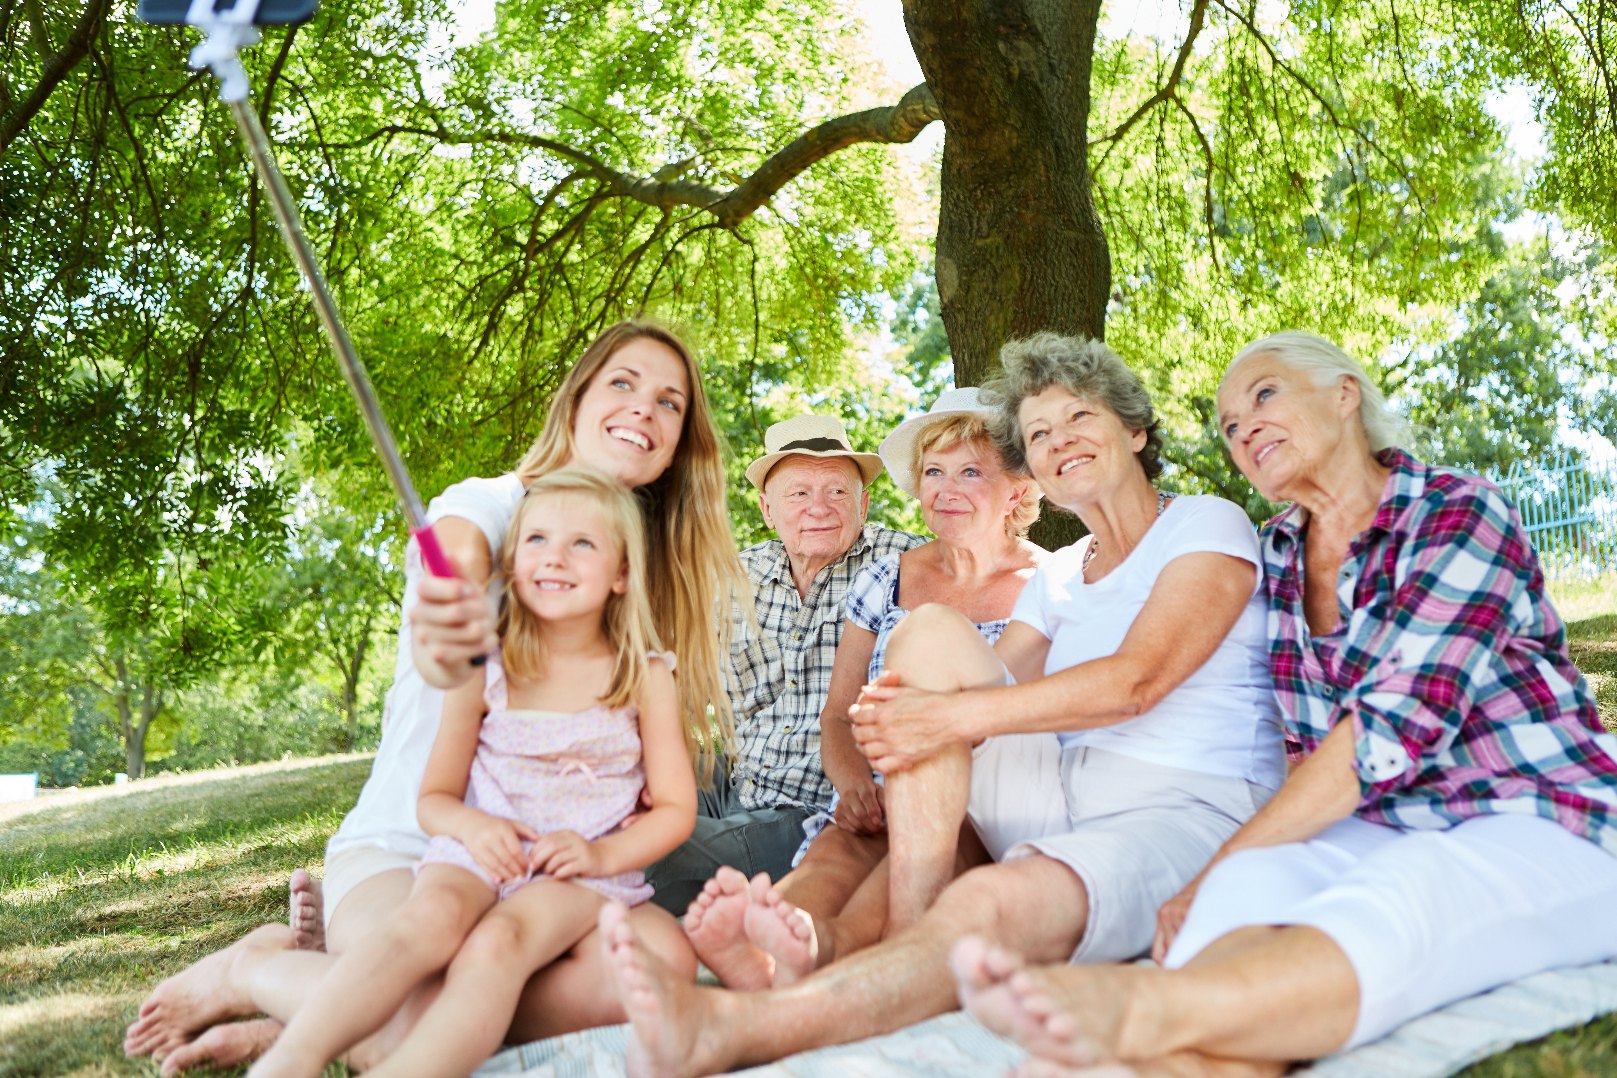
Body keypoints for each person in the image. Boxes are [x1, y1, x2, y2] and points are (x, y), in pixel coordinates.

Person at [600, 332, 1287, 1075]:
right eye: (1039, 434)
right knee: (928, 633)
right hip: (1058, 791)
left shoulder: (1201, 522)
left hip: (1178, 808)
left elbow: (1136, 681)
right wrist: (897, 714)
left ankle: (746, 1022)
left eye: (1078, 419)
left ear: (1132, 429)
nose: (1059, 442)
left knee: (988, 900)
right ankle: (898, 926)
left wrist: (943, 720)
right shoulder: (1062, 575)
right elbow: (987, 673)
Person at [953, 330, 1617, 1077]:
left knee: (1402, 895)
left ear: (1343, 395)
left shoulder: (1456, 512)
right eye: (1229, 425)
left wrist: (1205, 869)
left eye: (1264, 395)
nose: (1244, 429)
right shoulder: (1276, 553)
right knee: (1247, 888)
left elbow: (1381, 734)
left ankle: (1139, 1010)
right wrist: (1224, 876)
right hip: (1379, 822)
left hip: (1536, 814)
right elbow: (1298, 746)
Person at [125, 321, 747, 1074]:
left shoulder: (636, 589)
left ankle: (323, 1000)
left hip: (555, 878)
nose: (643, 408)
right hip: (416, 848)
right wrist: (448, 611)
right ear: (577, 399)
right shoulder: (486, 505)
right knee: (406, 1029)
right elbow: (450, 562)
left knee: (643, 974)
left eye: (668, 401)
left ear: (680, 440)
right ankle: (257, 970)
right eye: (622, 383)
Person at [248, 467, 696, 1078]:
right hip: (475, 856)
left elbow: (675, 808)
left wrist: (601, 856)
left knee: (498, 943)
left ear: (621, 573)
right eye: (536, 540)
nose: (554, 557)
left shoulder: (642, 675)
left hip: (576, 874)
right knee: (424, 924)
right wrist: (475, 829)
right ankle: (292, 1058)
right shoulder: (484, 668)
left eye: (582, 543)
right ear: (511, 562)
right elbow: (434, 798)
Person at [683, 387, 1045, 989]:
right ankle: (769, 942)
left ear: (1020, 489)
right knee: (832, 853)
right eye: (934, 472)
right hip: (858, 786)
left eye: (971, 472)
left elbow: (1029, 716)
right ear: (769, 509)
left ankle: (834, 953)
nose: (946, 489)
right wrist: (853, 786)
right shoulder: (888, 574)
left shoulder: (1052, 581)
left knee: (915, 848)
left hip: (978, 794)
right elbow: (839, 717)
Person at [644, 413, 923, 914]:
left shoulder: (902, 565)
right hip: (733, 779)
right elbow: (678, 685)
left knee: (650, 854)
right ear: (767, 509)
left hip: (814, 809)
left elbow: (988, 574)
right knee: (614, 805)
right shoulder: (735, 576)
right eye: (798, 494)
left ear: (863, 504)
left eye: (837, 492)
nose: (818, 508)